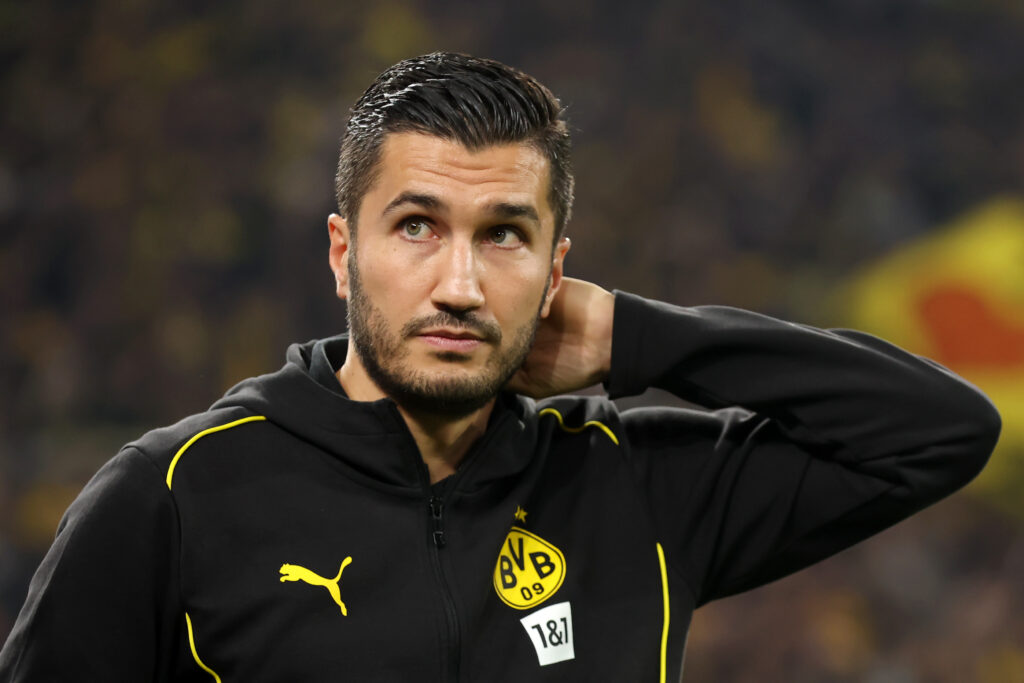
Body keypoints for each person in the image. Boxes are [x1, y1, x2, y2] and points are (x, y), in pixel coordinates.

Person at [0, 52, 1001, 682]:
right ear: (343, 252)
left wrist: (641, 338)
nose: (460, 283)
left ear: (557, 271)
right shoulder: (172, 495)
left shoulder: (637, 486)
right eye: (417, 226)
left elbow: (940, 431)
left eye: (505, 235)